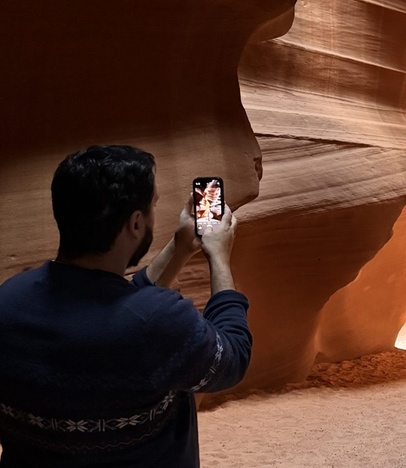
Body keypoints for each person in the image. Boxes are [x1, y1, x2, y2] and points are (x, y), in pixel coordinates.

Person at [0, 145, 252, 467]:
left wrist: (179, 247)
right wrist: (218, 257)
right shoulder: (157, 322)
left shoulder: (9, 300)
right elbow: (233, 356)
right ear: (135, 223)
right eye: (153, 206)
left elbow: (116, 306)